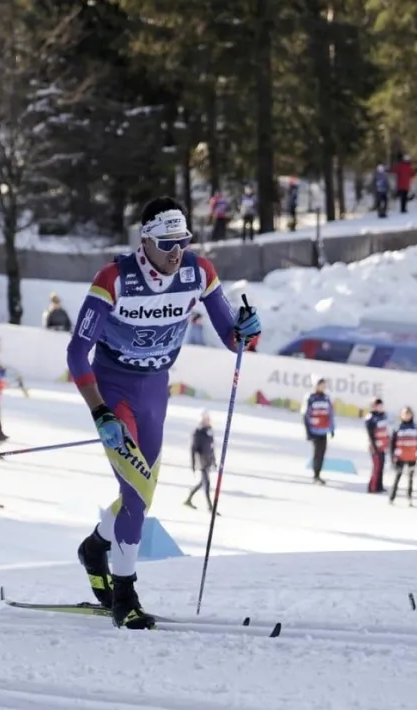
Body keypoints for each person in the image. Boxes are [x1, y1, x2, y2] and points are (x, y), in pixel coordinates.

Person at [66, 196, 262, 629]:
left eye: (183, 241)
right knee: (136, 494)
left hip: (155, 391)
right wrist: (100, 412)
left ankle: (96, 547)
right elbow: (78, 353)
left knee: (144, 496)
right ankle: (125, 596)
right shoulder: (113, 279)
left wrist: (248, 330)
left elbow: (234, 338)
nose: (176, 252)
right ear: (145, 241)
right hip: (114, 391)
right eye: (167, 243)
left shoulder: (199, 271)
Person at [389, 406, 417, 506]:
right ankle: (392, 497)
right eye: (404, 414)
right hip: (400, 457)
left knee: (410, 478)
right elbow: (392, 445)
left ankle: (409, 498)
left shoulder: (416, 428)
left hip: (411, 457)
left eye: (408, 414)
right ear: (401, 415)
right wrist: (392, 458)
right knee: (397, 477)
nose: (406, 416)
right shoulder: (397, 428)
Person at [302, 376, 334, 484]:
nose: (323, 387)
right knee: (317, 452)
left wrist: (332, 428)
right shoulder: (310, 397)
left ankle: (318, 473)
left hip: (323, 430)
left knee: (322, 452)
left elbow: (330, 414)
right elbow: (305, 414)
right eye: (321, 385)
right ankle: (316, 475)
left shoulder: (326, 398)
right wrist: (308, 431)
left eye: (324, 385)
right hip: (314, 429)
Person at [185, 410, 216, 512]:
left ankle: (188, 499)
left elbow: (211, 448)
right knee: (206, 483)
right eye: (205, 419)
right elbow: (193, 449)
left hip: (207, 461)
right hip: (201, 461)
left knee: (203, 483)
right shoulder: (198, 432)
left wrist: (213, 461)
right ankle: (210, 507)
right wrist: (193, 464)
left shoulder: (209, 431)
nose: (208, 421)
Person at [365, 398, 389, 493]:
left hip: (383, 444)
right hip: (375, 446)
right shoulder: (371, 418)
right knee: (376, 466)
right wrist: (374, 446)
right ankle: (372, 487)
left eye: (381, 405)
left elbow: (386, 430)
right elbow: (370, 434)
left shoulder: (383, 416)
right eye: (378, 405)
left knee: (382, 466)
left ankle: (379, 485)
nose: (380, 407)